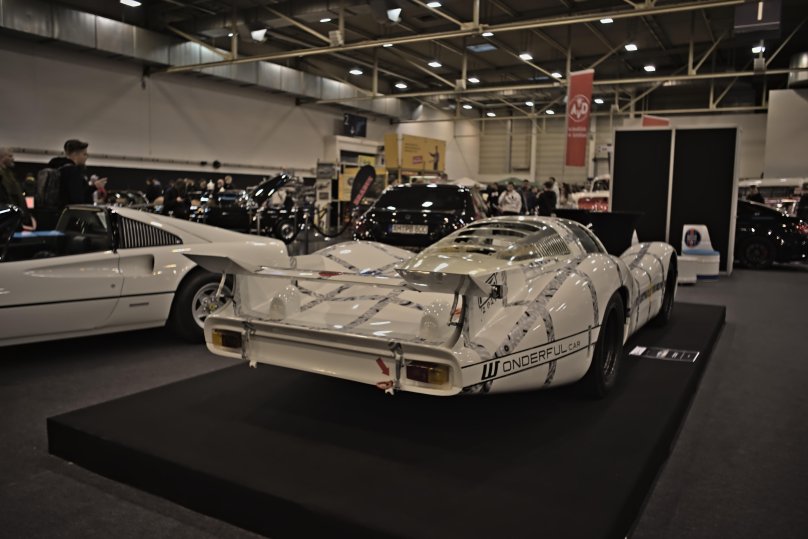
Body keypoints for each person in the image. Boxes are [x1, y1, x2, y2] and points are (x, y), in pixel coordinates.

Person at [48, 140, 107, 208]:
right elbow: (78, 199)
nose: (86, 157)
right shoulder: (72, 171)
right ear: (75, 154)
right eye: (84, 154)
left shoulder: (56, 168)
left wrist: (94, 187)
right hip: (68, 212)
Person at [0, 147, 36, 230]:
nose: (13, 159)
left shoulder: (10, 175)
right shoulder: (3, 176)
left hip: (15, 217)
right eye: (10, 156)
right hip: (9, 220)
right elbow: (7, 198)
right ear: (2, 157)